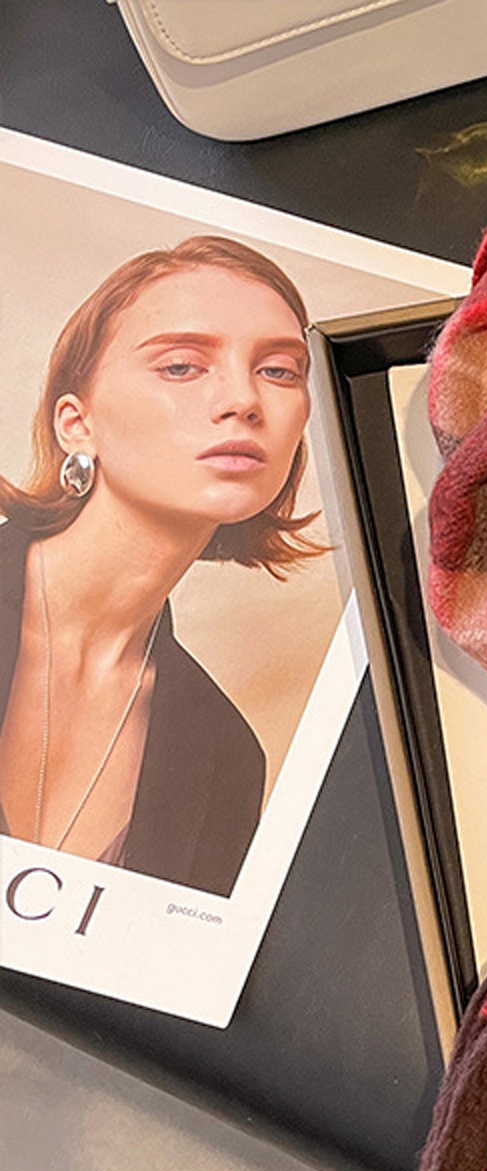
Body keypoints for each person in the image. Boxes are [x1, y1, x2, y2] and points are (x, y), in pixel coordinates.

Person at [0, 235, 322, 897]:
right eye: (181, 366)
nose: (243, 400)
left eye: (279, 371)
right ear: (76, 424)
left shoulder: (228, 759)